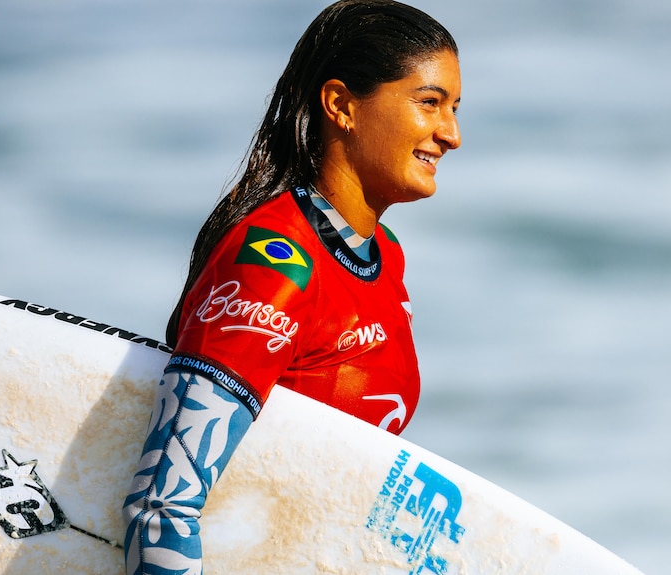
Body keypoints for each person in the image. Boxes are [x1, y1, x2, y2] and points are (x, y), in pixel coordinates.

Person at [122, 0, 461, 572]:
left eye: (453, 107)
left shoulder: (384, 258)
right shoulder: (276, 268)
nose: (450, 134)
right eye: (428, 103)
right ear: (341, 105)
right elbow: (162, 509)